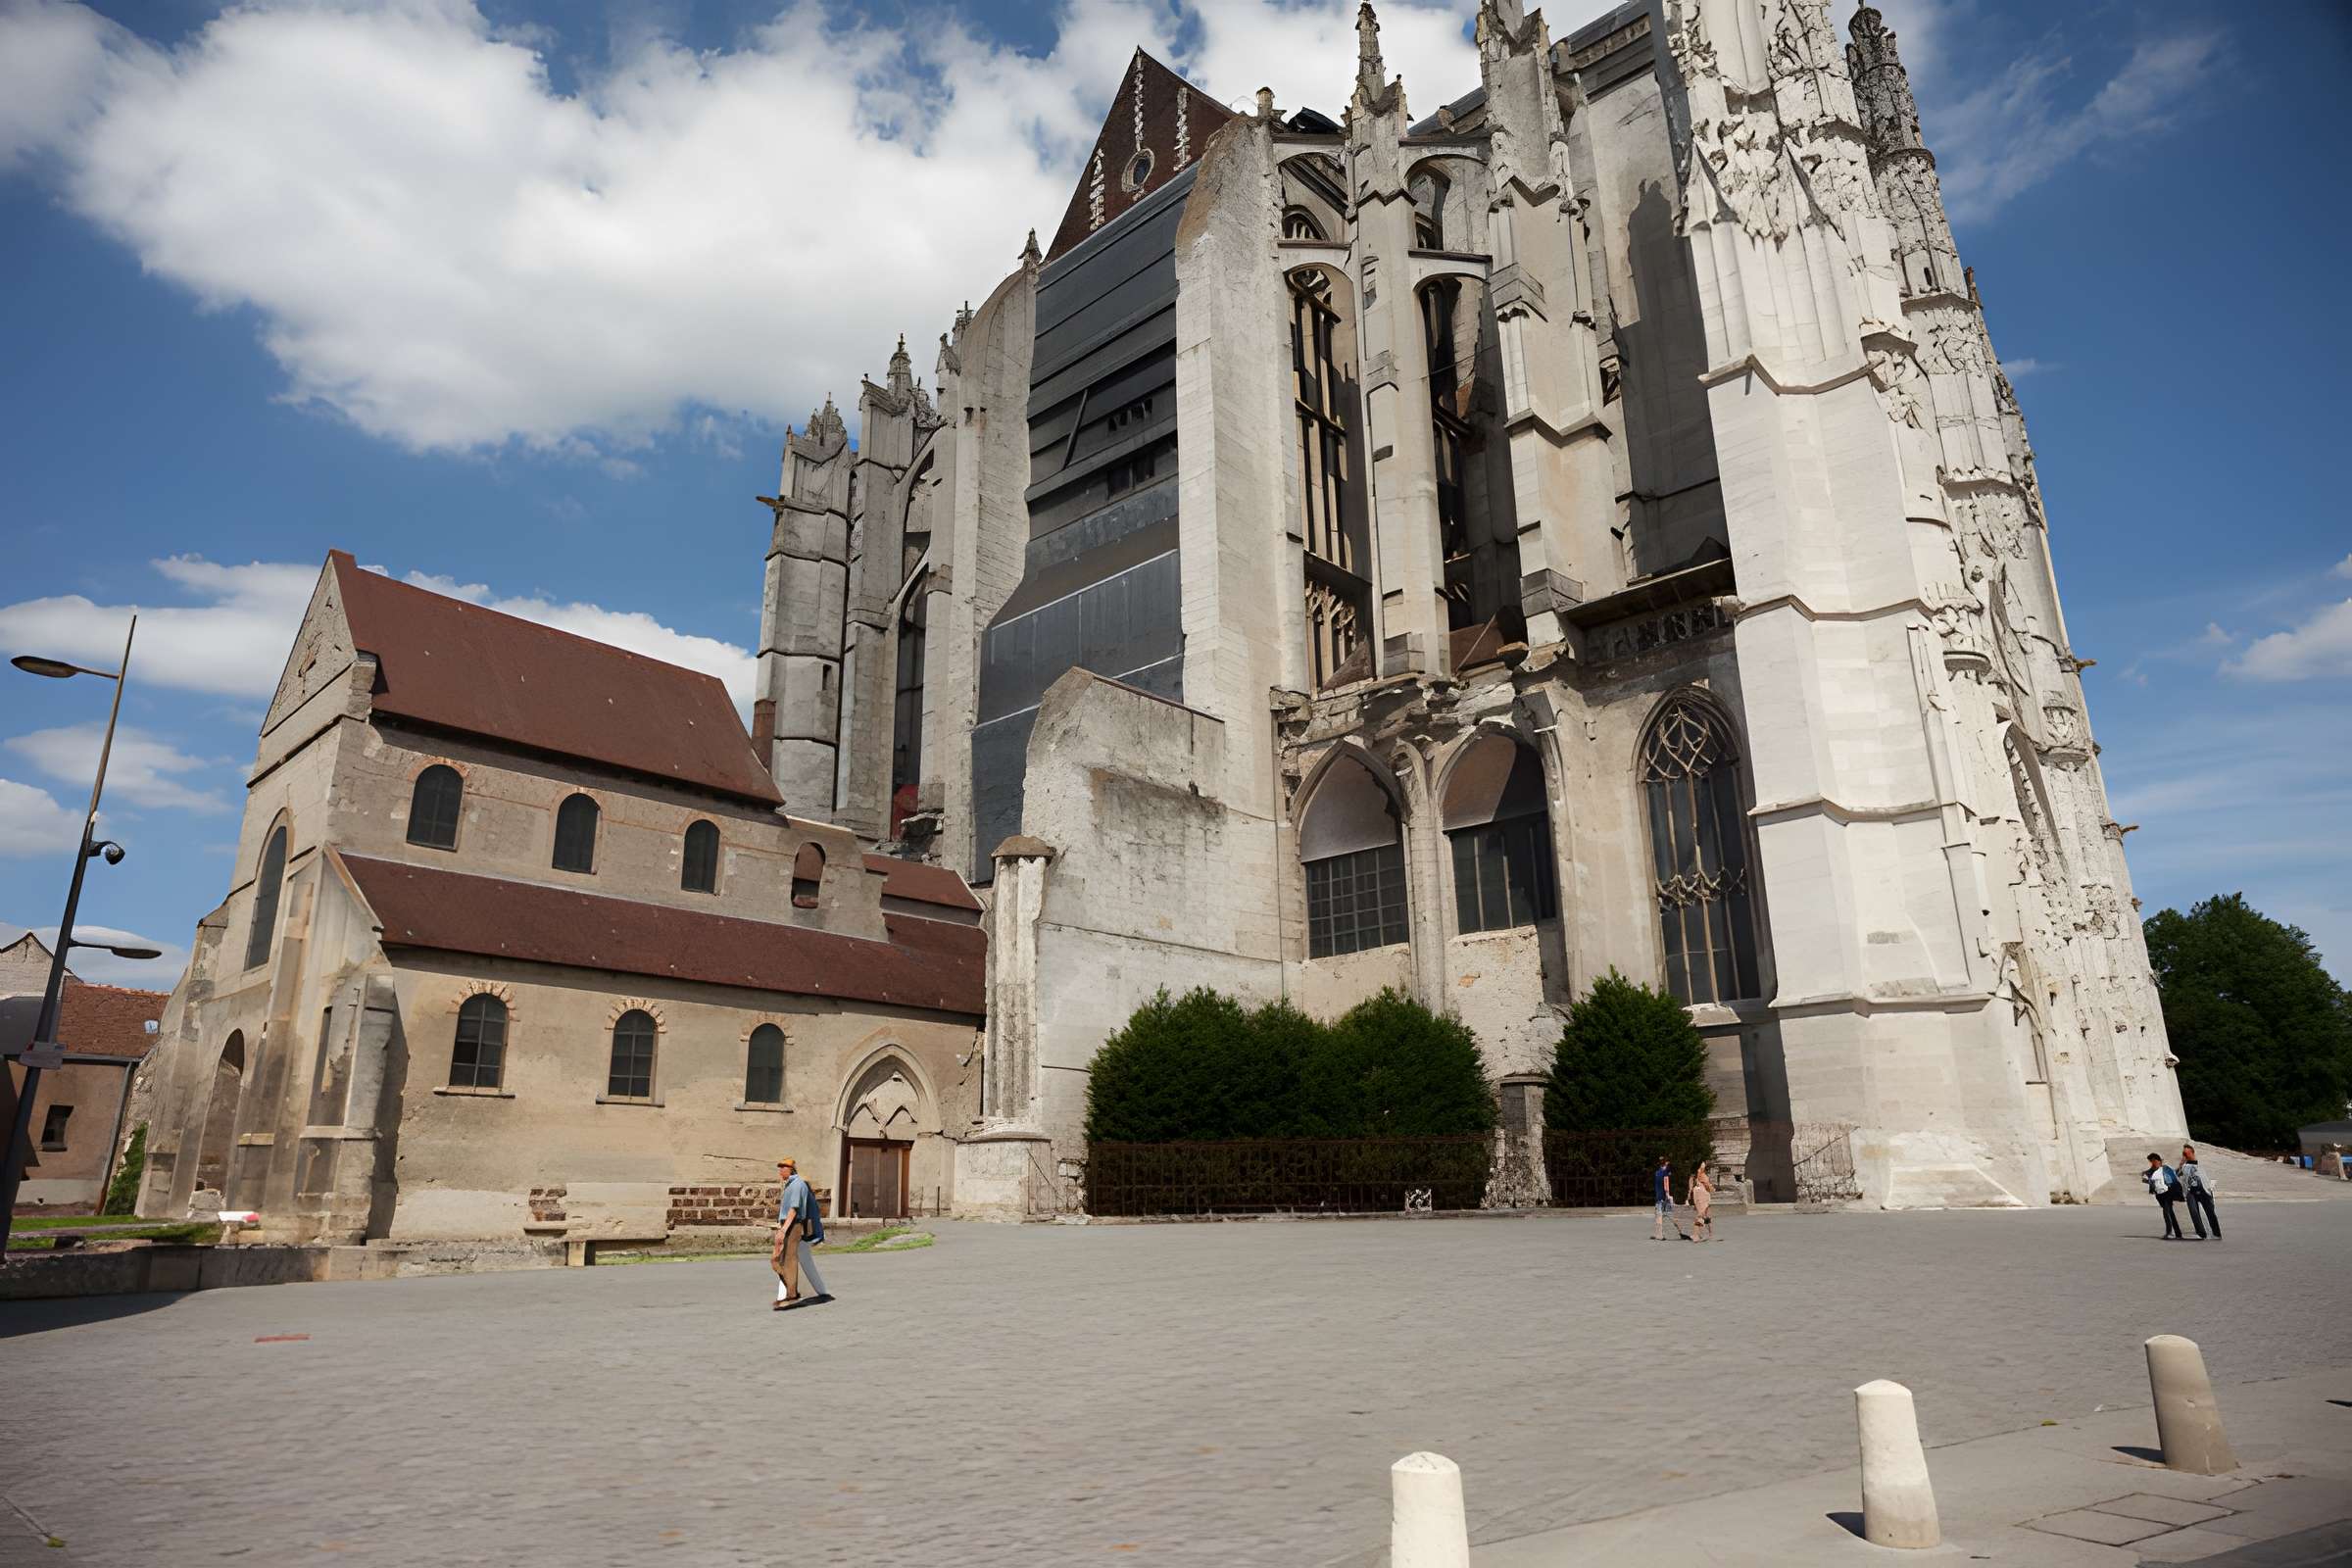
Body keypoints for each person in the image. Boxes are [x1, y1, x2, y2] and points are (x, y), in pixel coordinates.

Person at [772, 1156, 833, 1310]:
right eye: (779, 1167)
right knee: (800, 1260)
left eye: (782, 1167)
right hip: (790, 1225)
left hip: (794, 1226)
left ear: (790, 1169)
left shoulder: (797, 1184)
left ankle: (790, 1295)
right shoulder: (791, 1184)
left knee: (786, 1260)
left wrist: (783, 1229)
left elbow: (794, 1209)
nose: (780, 1170)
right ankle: (822, 1292)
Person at [2178, 1145, 2221, 1240]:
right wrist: (2181, 1165)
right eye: (2183, 1153)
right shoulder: (2184, 1166)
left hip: (2204, 1190)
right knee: (2194, 1212)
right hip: (2190, 1192)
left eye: (2186, 1153)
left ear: (2192, 1152)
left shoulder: (2201, 1163)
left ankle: (2216, 1233)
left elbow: (2206, 1178)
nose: (2184, 1155)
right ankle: (2201, 1233)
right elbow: (2178, 1175)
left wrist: (2210, 1190)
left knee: (2210, 1212)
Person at [2143, 1152, 2183, 1240]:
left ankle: (2170, 1232)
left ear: (2158, 1161)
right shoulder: (2150, 1172)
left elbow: (2174, 1176)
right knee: (2170, 1213)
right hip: (2159, 1194)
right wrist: (2146, 1180)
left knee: (2166, 1212)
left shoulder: (2166, 1169)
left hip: (2167, 1192)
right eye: (2151, 1161)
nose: (2153, 1163)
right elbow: (2149, 1180)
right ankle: (2178, 1233)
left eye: (2154, 1161)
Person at [1651, 1155, 1686, 1241]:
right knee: (1670, 1215)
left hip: (1659, 1197)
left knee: (1658, 1216)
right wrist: (1668, 1195)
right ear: (1666, 1163)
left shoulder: (1657, 1173)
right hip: (1665, 1197)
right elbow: (1666, 1185)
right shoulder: (1665, 1173)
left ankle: (1659, 1234)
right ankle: (1681, 1232)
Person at [1689, 1160, 1715, 1242]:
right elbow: (1707, 1185)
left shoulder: (1698, 1176)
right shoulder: (1701, 1174)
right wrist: (1712, 1188)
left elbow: (1691, 1187)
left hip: (1703, 1196)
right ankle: (1696, 1235)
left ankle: (1710, 1234)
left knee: (1706, 1215)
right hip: (1702, 1196)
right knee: (1701, 1215)